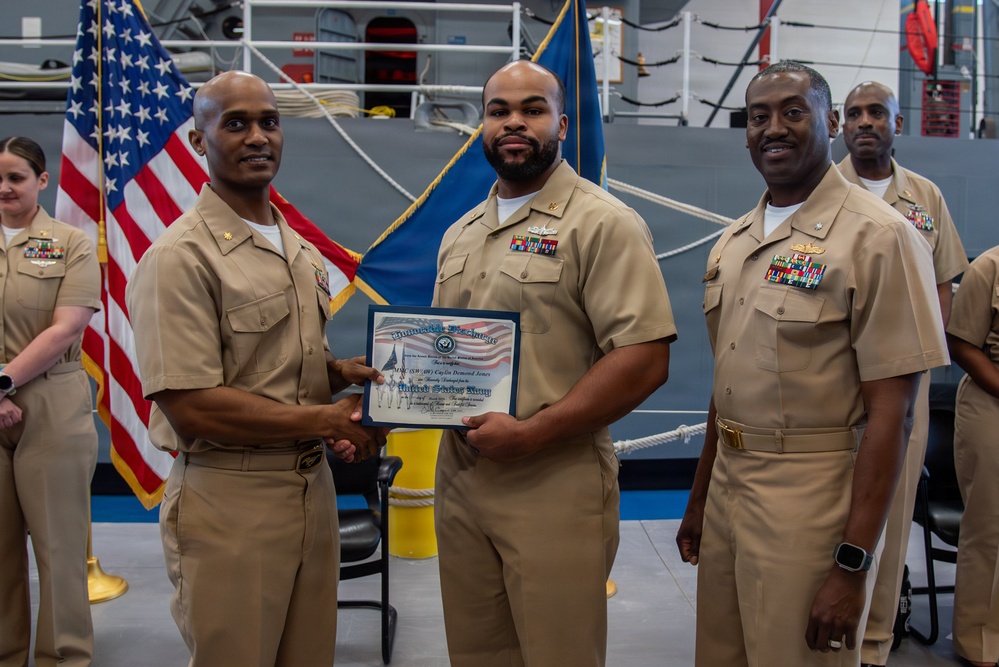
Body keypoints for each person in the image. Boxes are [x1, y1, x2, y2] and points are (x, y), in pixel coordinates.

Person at [676, 61, 948, 666]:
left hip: (813, 496)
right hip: (728, 491)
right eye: (759, 116)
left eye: (793, 112)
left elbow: (893, 415)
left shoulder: (881, 237)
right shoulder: (735, 240)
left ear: (828, 122)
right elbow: (728, 385)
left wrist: (853, 562)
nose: (774, 128)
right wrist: (699, 501)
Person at [125, 71, 386, 667]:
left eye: (269, 121)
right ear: (199, 141)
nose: (257, 136)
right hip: (230, 498)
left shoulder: (293, 245)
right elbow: (190, 405)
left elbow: (279, 364)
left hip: (311, 492)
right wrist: (329, 419)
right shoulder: (178, 258)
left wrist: (342, 372)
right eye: (234, 123)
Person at [429, 60, 675, 666]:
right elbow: (439, 356)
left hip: (553, 478)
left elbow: (644, 359)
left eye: (532, 109)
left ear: (561, 124)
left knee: (558, 654)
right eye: (498, 111)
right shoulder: (460, 233)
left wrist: (532, 432)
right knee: (477, 653)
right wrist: (379, 406)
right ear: (482, 128)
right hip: (460, 478)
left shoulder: (603, 224)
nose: (514, 122)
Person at [838, 81, 969, 667]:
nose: (865, 122)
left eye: (876, 113)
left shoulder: (926, 197)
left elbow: (942, 283)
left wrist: (919, 355)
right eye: (853, 114)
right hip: (835, 383)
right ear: (839, 124)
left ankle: (873, 641)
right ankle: (823, 631)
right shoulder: (822, 189)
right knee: (829, 504)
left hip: (903, 386)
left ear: (896, 124)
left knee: (890, 510)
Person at [0, 136, 101, 667]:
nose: (4, 187)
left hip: (52, 403)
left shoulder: (71, 244)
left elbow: (66, 329)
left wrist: (2, 383)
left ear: (41, 181)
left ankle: (65, 657)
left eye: (16, 177)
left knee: (59, 547)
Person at [945, 248, 999, 667]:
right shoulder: (990, 267)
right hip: (992, 404)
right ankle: (979, 642)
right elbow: (962, 343)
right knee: (990, 527)